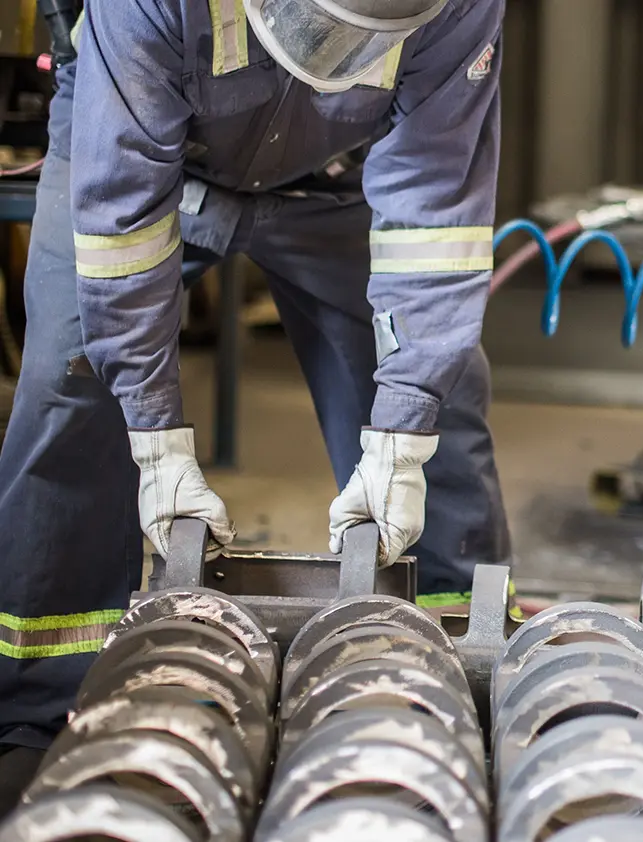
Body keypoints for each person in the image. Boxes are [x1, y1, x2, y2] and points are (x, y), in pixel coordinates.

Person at [0, 0, 510, 806]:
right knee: (71, 384)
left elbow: (435, 204)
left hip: (345, 174)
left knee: (441, 407)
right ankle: (36, 717)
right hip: (147, 144)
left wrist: (405, 428)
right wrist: (155, 437)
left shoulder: (459, 8)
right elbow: (122, 215)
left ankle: (454, 677)